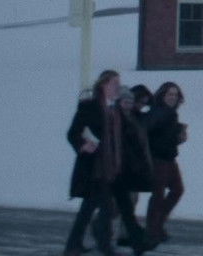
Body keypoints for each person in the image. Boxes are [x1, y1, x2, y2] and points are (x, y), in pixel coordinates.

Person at [64, 70, 150, 256]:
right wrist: (82, 145)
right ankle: (105, 247)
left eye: (119, 83)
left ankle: (74, 245)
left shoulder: (116, 109)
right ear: (104, 85)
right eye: (114, 83)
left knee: (98, 208)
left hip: (116, 168)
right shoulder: (90, 107)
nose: (118, 87)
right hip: (98, 168)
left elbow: (126, 135)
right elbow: (72, 133)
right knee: (105, 208)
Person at [108, 88, 154, 252]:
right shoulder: (116, 117)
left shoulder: (136, 118)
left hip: (131, 169)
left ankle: (126, 237)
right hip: (119, 169)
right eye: (139, 102)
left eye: (143, 103)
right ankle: (110, 235)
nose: (140, 105)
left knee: (130, 203)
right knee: (119, 205)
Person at [145, 81, 187, 245]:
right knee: (159, 194)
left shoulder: (169, 113)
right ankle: (152, 230)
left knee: (176, 190)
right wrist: (177, 135)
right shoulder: (160, 112)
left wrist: (178, 134)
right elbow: (152, 133)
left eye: (175, 95)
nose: (173, 97)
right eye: (170, 94)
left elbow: (166, 136)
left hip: (168, 158)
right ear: (162, 95)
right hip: (158, 159)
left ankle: (156, 226)